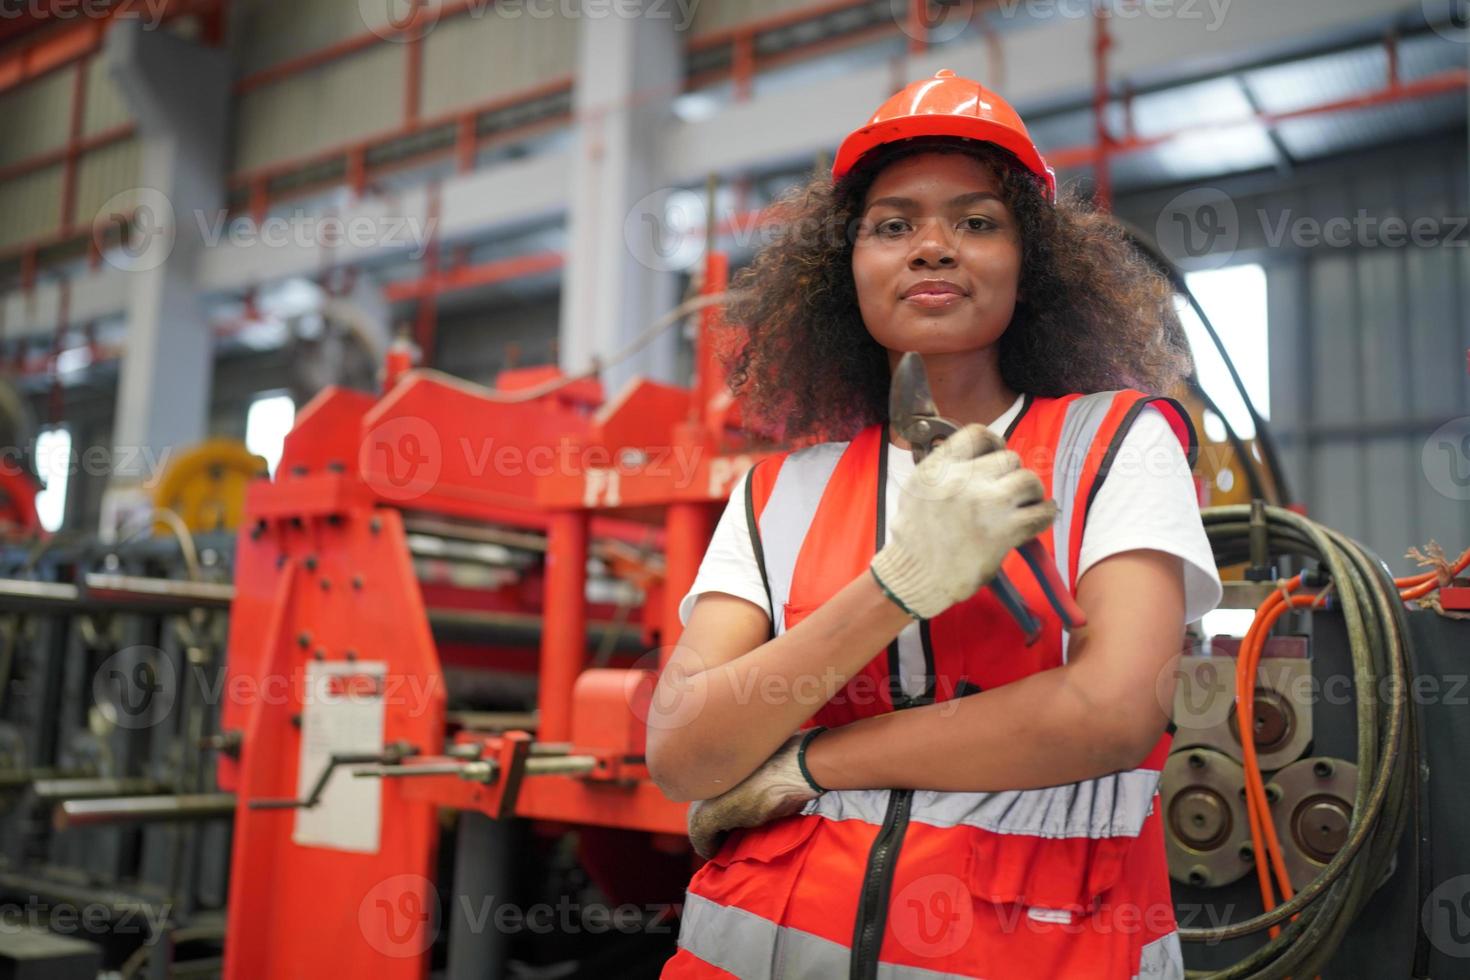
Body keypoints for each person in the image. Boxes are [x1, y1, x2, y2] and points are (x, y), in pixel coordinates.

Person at [647, 69, 1222, 980]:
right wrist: (895, 587)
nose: (933, 247)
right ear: (847, 268)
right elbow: (682, 748)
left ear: (1030, 262)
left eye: (978, 221)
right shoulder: (779, 493)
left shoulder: (1111, 445)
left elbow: (1111, 709)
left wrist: (810, 763)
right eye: (893, 224)